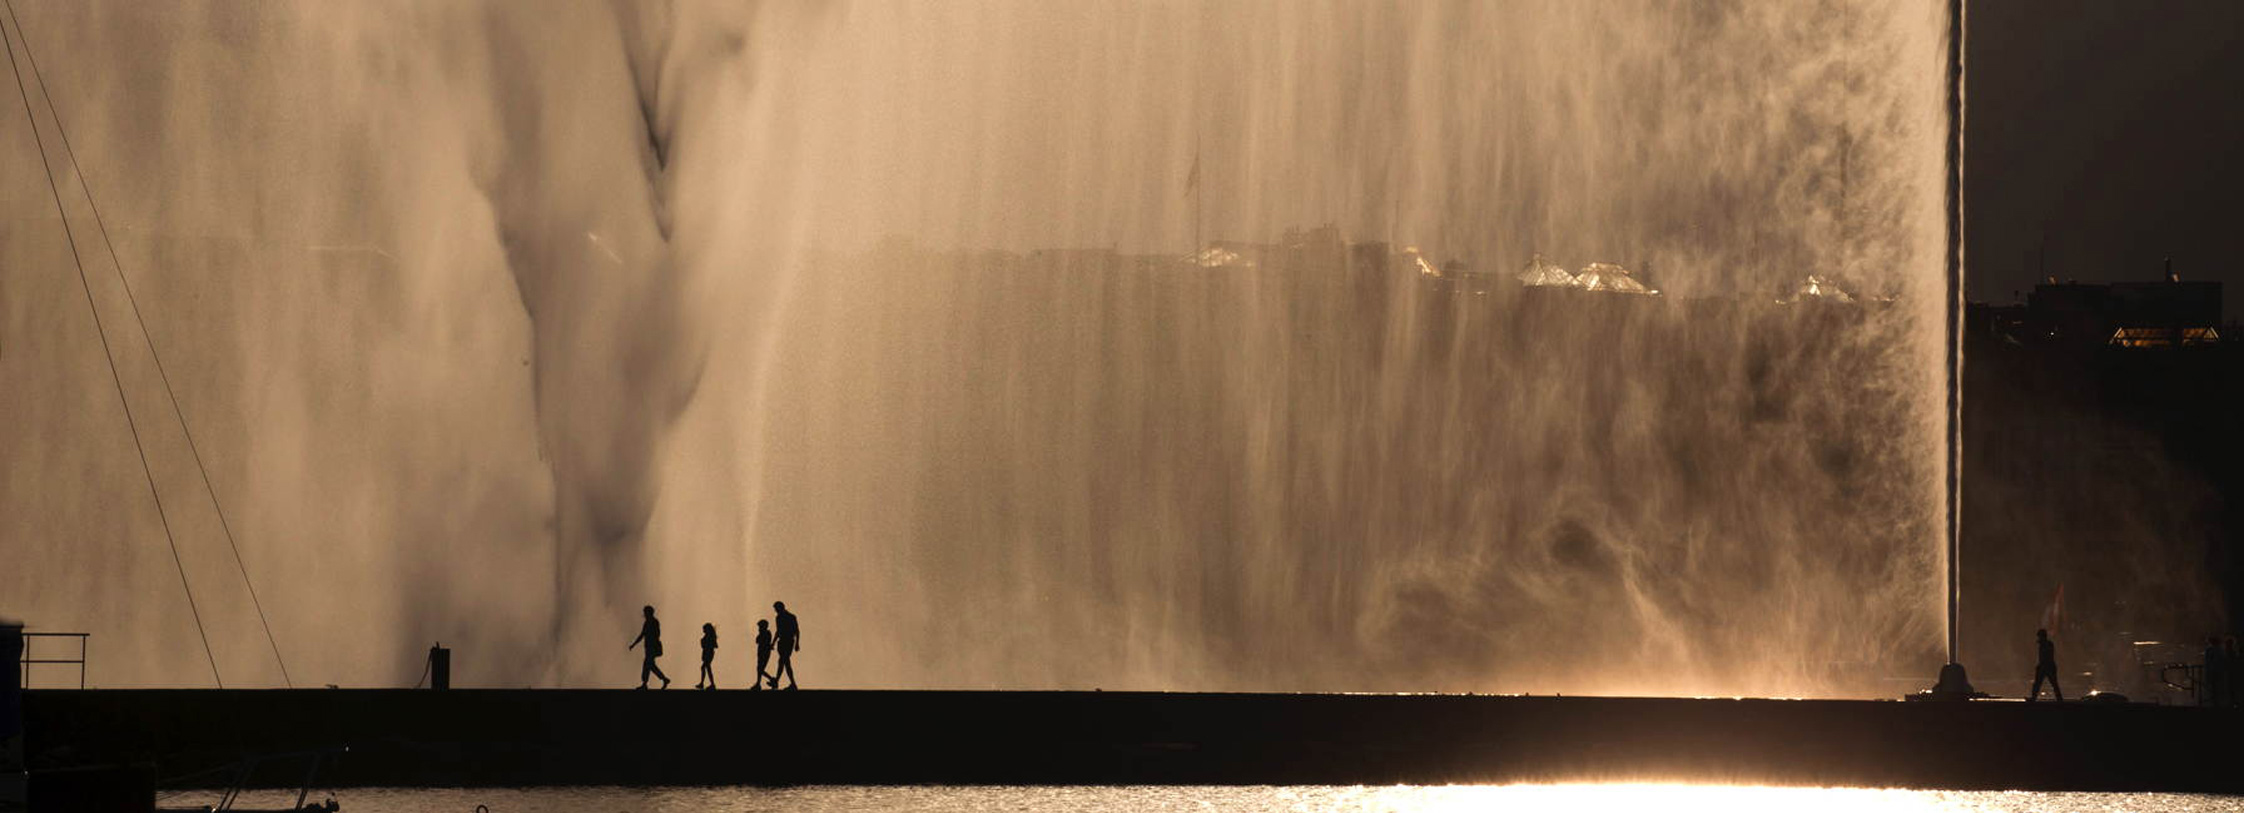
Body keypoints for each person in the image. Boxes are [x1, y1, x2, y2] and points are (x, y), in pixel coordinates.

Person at [627, 605, 670, 690]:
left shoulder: (654, 622)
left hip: (652, 647)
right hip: (649, 647)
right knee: (650, 665)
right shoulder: (647, 622)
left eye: (645, 612)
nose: (644, 614)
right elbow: (642, 635)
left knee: (647, 664)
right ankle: (664, 679)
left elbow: (657, 634)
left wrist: (636, 644)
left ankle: (645, 683)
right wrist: (634, 644)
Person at [771, 601, 801, 690]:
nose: (775, 611)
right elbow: (778, 631)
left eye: (776, 609)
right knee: (784, 662)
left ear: (781, 608)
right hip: (783, 642)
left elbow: (797, 631)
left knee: (783, 662)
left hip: (788, 641)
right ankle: (788, 683)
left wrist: (797, 643)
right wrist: (773, 642)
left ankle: (779, 681)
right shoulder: (779, 617)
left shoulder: (791, 617)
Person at [2027, 628, 2062, 702]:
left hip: (2047, 666)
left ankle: (2034, 698)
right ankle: (2059, 699)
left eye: (2039, 636)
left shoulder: (2046, 644)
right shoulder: (2047, 644)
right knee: (2041, 684)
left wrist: (2040, 666)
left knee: (2051, 684)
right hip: (2047, 666)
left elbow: (2045, 657)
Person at [752, 619, 776, 691]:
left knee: (760, 669)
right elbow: (757, 640)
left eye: (760, 626)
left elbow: (759, 641)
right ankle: (759, 683)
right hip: (761, 652)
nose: (759, 628)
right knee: (759, 669)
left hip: (764, 653)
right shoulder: (763, 633)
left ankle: (771, 680)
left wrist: (760, 635)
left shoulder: (767, 633)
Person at [696, 623, 719, 690]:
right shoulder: (708, 636)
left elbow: (715, 645)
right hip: (707, 653)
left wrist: (705, 643)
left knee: (705, 667)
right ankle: (707, 683)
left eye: (704, 629)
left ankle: (709, 684)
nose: (703, 630)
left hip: (709, 653)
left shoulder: (710, 636)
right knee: (706, 668)